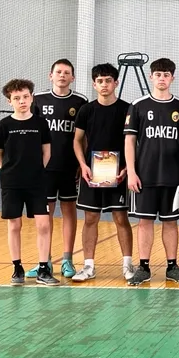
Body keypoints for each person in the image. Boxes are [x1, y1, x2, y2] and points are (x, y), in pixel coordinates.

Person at [124, 57, 179, 286]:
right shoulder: (138, 105)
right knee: (145, 221)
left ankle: (172, 266)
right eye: (158, 75)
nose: (162, 79)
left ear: (172, 78)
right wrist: (131, 172)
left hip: (173, 176)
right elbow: (129, 141)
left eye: (166, 75)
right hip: (145, 176)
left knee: (171, 222)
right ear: (151, 77)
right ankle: (143, 267)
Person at [0, 79, 59, 285]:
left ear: (32, 98)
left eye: (25, 97)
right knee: (15, 225)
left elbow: (47, 151)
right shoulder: (4, 125)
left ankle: (43, 269)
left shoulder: (40, 123)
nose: (22, 101)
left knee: (43, 224)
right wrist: (8, 172)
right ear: (9, 101)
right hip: (12, 183)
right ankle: (17, 268)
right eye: (17, 98)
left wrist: (37, 171)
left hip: (37, 183)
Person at [71, 63, 133, 282]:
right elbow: (77, 140)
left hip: (119, 173)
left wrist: (128, 168)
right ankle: (88, 266)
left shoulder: (128, 109)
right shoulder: (86, 110)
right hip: (93, 172)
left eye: (108, 80)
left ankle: (128, 265)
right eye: (100, 81)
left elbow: (134, 141)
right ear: (94, 84)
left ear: (116, 83)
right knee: (90, 218)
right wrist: (83, 165)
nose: (104, 84)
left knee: (121, 217)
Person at [31, 58, 85, 278]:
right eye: (58, 72)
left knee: (69, 211)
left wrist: (82, 163)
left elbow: (83, 137)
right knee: (46, 213)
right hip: (44, 168)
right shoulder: (38, 99)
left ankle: (67, 259)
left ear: (73, 77)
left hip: (69, 166)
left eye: (66, 72)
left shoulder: (80, 102)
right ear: (50, 75)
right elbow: (31, 132)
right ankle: (44, 261)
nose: (62, 75)